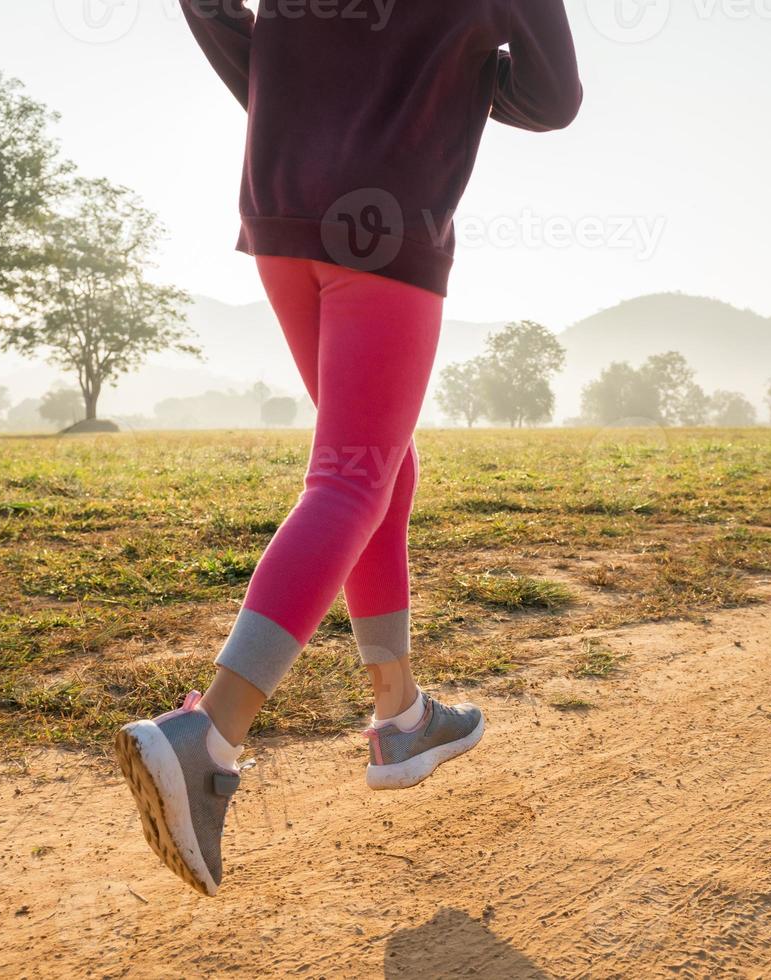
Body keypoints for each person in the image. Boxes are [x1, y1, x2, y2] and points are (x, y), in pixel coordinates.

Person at [115, 0, 582, 896]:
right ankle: (207, 733)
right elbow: (552, 98)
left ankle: (401, 716)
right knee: (352, 478)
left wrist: (281, 95)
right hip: (387, 218)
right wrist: (469, 81)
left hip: (282, 203)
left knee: (382, 468)